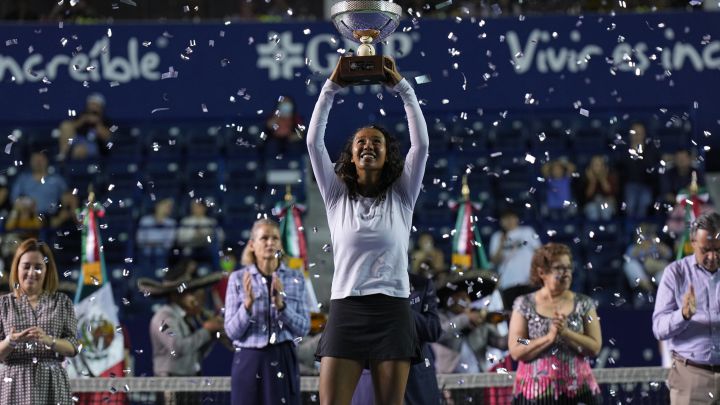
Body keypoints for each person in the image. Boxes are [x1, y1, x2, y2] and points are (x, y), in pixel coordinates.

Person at [307, 55, 429, 405]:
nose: (368, 145)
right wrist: (331, 87)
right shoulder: (335, 196)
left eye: (376, 141)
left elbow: (420, 146)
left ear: (388, 153)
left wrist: (403, 88)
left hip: (392, 311)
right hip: (346, 309)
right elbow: (314, 143)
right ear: (351, 154)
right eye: (361, 141)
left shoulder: (402, 196)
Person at [224, 218, 311, 405]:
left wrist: (281, 306)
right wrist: (247, 306)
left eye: (275, 238)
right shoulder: (237, 279)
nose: (270, 243)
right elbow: (231, 332)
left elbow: (304, 328)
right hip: (249, 359)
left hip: (283, 358)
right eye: (264, 238)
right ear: (252, 245)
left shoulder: (296, 277)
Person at [508, 243, 602, 404]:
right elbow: (518, 342)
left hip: (579, 392)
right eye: (559, 268)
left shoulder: (584, 304)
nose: (566, 273)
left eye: (568, 268)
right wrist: (547, 338)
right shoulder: (524, 304)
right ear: (542, 272)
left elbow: (594, 345)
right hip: (533, 395)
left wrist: (567, 333)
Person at [0, 239, 79, 404]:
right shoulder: (3, 304)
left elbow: (74, 346)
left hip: (54, 387)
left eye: (38, 267)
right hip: (13, 388)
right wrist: (11, 341)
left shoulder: (62, 302)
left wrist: (50, 341)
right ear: (17, 268)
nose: (31, 272)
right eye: (26, 266)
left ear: (46, 270)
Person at [652, 211, 720, 404]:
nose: (713, 256)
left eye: (719, 249)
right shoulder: (675, 273)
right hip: (690, 379)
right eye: (706, 250)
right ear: (692, 243)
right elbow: (659, 328)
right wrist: (683, 315)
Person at [139, 258, 224, 404]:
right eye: (188, 293)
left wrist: (212, 335)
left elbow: (196, 353)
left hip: (190, 382)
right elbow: (177, 347)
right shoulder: (164, 317)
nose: (194, 297)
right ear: (174, 295)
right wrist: (205, 330)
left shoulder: (187, 317)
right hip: (171, 384)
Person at [351, 272, 443, 405]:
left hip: (416, 382)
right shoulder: (360, 283)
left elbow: (433, 330)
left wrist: (400, 308)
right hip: (372, 378)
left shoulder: (421, 284)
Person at [489, 208, 541, 309]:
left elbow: (539, 252)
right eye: (505, 218)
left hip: (528, 282)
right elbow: (494, 261)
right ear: (501, 221)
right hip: (508, 283)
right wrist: (501, 244)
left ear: (517, 218)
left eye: (511, 217)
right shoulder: (497, 237)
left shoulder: (527, 231)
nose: (509, 220)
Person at [617, 122, 660, 219]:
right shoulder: (624, 150)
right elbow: (620, 168)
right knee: (630, 203)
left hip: (646, 185)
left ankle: (639, 231)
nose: (637, 136)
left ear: (644, 134)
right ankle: (630, 232)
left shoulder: (651, 150)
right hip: (629, 185)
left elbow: (651, 170)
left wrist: (641, 153)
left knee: (644, 203)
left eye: (640, 133)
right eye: (635, 133)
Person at [623, 222, 672, 305]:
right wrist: (641, 247)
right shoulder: (633, 247)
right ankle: (650, 290)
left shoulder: (657, 245)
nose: (645, 238)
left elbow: (668, 254)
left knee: (665, 270)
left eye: (647, 234)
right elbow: (627, 257)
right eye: (642, 235)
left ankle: (663, 298)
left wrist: (657, 245)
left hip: (656, 271)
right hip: (643, 274)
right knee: (630, 265)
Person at [58, 93, 112, 161]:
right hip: (75, 140)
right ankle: (63, 155)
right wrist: (82, 120)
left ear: (101, 107)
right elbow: (71, 128)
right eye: (91, 104)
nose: (93, 107)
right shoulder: (81, 116)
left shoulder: (105, 120)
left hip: (94, 144)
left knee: (80, 150)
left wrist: (97, 122)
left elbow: (107, 137)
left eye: (96, 105)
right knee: (65, 125)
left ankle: (70, 167)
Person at [10, 151, 67, 215]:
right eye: (35, 160)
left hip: (51, 217)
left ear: (47, 161)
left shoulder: (57, 179)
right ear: (30, 162)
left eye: (41, 160)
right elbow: (14, 198)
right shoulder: (23, 179)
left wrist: (62, 214)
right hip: (28, 217)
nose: (38, 163)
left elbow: (67, 198)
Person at [136, 198, 177, 278]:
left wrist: (157, 244)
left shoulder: (171, 223)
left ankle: (160, 280)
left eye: (170, 206)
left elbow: (169, 242)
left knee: (160, 255)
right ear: (157, 206)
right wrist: (149, 244)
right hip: (146, 252)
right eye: (166, 205)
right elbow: (139, 239)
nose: (169, 208)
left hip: (162, 253)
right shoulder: (145, 220)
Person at [580, 155, 619, 221]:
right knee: (592, 209)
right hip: (591, 204)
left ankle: (607, 230)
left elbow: (610, 192)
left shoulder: (610, 176)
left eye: (599, 165)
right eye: (595, 165)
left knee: (605, 209)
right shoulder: (586, 177)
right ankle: (594, 230)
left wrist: (602, 179)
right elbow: (587, 196)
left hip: (607, 202)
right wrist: (592, 181)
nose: (597, 167)